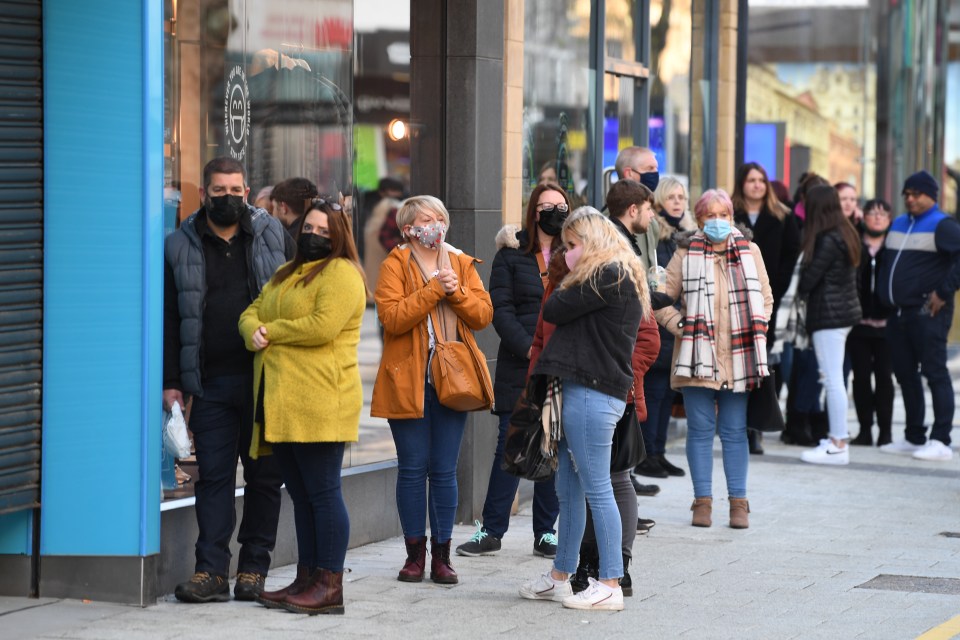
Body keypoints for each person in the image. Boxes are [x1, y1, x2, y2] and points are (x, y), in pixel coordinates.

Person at [164, 157, 295, 603]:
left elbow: (299, 291)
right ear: (203, 194)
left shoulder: (272, 234)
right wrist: (172, 380)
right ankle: (211, 570)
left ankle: (254, 569)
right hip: (211, 383)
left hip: (266, 380)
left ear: (247, 188)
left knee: (263, 477)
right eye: (218, 191)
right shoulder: (178, 244)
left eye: (236, 190)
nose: (228, 198)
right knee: (214, 478)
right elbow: (168, 317)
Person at [238, 198, 366, 615]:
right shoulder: (286, 273)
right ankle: (307, 577)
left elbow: (322, 326)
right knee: (301, 493)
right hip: (283, 403)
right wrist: (250, 330)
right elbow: (253, 309)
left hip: (321, 401)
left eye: (325, 232)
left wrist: (269, 331)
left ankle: (330, 585)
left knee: (323, 493)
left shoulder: (343, 274)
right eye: (309, 228)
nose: (313, 236)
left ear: (339, 236)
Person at [519, 209, 647, 612]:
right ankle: (561, 575)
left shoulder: (607, 273)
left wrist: (566, 270)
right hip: (584, 388)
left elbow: (553, 310)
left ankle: (609, 582)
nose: (566, 252)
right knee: (570, 488)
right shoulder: (614, 273)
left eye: (572, 245)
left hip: (593, 392)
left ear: (590, 243)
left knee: (595, 487)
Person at [371, 195, 493, 584]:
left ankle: (442, 556)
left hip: (451, 381)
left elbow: (483, 315)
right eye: (426, 219)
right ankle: (413, 557)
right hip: (406, 379)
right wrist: (433, 290)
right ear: (408, 228)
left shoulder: (461, 261)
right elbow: (391, 318)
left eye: (440, 217)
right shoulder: (394, 264)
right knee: (411, 469)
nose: (435, 225)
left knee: (443, 470)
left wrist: (456, 291)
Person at [455, 185, 565, 560]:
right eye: (548, 206)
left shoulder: (576, 254)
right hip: (521, 365)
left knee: (551, 446)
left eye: (562, 206)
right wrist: (532, 348)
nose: (556, 212)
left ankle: (546, 533)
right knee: (510, 445)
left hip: (562, 367)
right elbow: (500, 311)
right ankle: (492, 529)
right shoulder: (511, 255)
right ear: (534, 211)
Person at [655, 189, 773, 529]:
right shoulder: (685, 251)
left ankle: (739, 503)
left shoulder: (751, 251)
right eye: (710, 216)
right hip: (697, 356)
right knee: (701, 430)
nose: (718, 222)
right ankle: (702, 502)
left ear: (732, 218)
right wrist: (683, 328)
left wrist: (757, 327)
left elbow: (766, 298)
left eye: (724, 215)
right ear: (700, 219)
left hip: (739, 357)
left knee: (736, 432)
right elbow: (662, 299)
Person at [571, 186, 659, 596]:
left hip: (614, 392)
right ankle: (586, 563)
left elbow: (648, 339)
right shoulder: (574, 274)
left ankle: (616, 566)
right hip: (579, 391)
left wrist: (622, 373)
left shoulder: (620, 273)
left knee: (615, 479)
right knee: (587, 481)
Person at [878, 170, 960, 462]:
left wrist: (944, 291)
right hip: (898, 314)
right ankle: (914, 436)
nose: (910, 199)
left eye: (916, 194)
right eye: (907, 194)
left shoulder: (943, 225)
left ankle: (940, 440)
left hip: (928, 312)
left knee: (935, 373)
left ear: (932, 196)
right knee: (905, 375)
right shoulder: (899, 223)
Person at [732, 162, 801, 453]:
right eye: (751, 180)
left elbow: (790, 257)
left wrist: (775, 289)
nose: (757, 185)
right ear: (742, 184)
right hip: (733, 300)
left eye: (761, 180)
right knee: (736, 364)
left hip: (767, 300)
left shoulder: (783, 216)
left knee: (761, 366)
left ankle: (755, 428)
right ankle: (737, 427)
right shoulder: (730, 214)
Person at [634, 176, 697, 481]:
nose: (677, 202)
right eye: (671, 197)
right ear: (659, 200)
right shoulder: (656, 232)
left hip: (678, 321)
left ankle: (658, 452)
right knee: (653, 391)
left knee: (666, 392)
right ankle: (647, 454)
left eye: (681, 197)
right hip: (659, 318)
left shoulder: (688, 235)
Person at [796, 185, 862, 465]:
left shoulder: (827, 238)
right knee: (833, 377)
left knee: (832, 378)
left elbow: (808, 280)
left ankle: (837, 443)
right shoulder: (845, 231)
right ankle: (837, 439)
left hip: (829, 316)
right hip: (840, 314)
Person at [848, 198, 894, 447]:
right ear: (863, 217)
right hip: (859, 323)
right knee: (861, 378)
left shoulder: (895, 246)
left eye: (882, 214)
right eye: (872, 213)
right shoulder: (855, 243)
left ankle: (885, 432)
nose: (877, 218)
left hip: (888, 325)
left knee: (885, 379)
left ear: (889, 219)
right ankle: (865, 429)